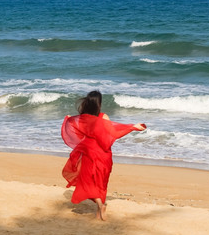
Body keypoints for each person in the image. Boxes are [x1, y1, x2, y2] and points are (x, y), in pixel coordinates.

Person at [61, 90, 146, 220]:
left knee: (87, 181)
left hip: (89, 152)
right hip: (103, 153)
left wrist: (68, 119)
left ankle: (100, 208)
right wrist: (132, 127)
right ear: (98, 103)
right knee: (101, 182)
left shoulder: (83, 118)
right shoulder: (103, 117)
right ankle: (100, 207)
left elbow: (76, 130)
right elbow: (114, 134)